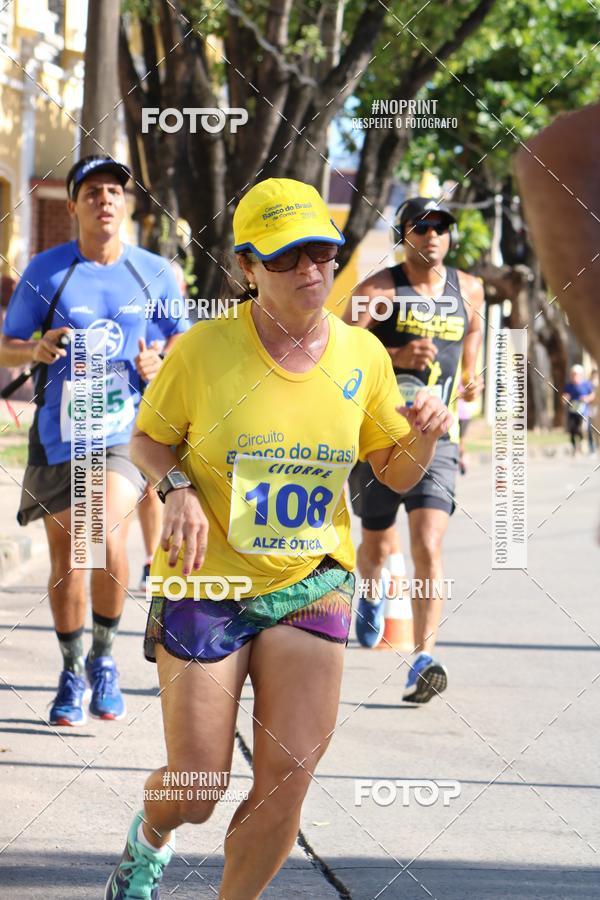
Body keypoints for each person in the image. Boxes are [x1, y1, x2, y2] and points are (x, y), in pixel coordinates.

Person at [104, 177, 452, 900]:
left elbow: (392, 471)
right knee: (199, 786)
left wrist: (421, 436)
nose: (310, 271)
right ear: (247, 267)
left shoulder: (361, 356)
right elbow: (147, 440)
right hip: (207, 580)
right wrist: (179, 492)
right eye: (288, 257)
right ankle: (151, 835)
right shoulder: (204, 351)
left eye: (321, 253)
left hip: (310, 580)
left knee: (285, 783)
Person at [0, 154, 187, 726]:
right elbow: (6, 344)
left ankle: (104, 661)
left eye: (115, 191)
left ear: (125, 205)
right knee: (68, 560)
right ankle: (71, 666)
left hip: (123, 434)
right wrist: (34, 349)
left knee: (101, 532)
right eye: (94, 191)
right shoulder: (46, 271)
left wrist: (162, 360)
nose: (106, 199)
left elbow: (184, 342)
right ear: (76, 203)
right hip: (60, 437)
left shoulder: (155, 272)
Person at [343, 196, 484, 703]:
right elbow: (338, 351)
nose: (432, 236)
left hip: (437, 438)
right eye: (420, 228)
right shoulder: (380, 290)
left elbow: (471, 350)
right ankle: (371, 593)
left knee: (428, 543)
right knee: (376, 546)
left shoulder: (469, 289)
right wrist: (396, 353)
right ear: (404, 236)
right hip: (379, 436)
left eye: (441, 227)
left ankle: (424, 656)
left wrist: (470, 387)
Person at [562, 364, 595, 456]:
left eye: (576, 374)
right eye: (572, 374)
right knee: (572, 430)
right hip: (572, 411)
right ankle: (574, 448)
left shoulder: (586, 385)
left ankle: (589, 448)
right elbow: (564, 397)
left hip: (584, 412)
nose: (574, 376)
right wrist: (565, 399)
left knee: (585, 430)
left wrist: (586, 398)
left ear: (580, 375)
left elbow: (592, 395)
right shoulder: (569, 386)